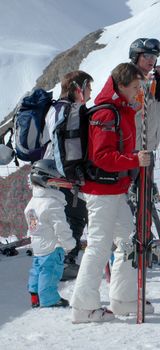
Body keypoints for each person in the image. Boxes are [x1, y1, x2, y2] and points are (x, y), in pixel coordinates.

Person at [70, 63, 153, 323]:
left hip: (115, 189)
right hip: (101, 189)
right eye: (136, 87)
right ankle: (83, 307)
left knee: (128, 241)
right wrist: (134, 160)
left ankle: (122, 298)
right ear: (121, 85)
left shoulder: (121, 110)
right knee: (98, 245)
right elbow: (102, 157)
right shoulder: (106, 114)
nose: (138, 91)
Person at [42, 70, 93, 281]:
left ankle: (58, 261)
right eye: (88, 87)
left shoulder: (55, 107)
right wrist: (74, 175)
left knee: (63, 217)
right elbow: (70, 145)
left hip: (51, 166)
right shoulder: (72, 110)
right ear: (77, 88)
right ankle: (67, 262)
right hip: (65, 171)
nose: (91, 92)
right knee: (75, 215)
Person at [25, 159, 76, 308]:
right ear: (46, 181)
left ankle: (35, 296)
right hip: (52, 246)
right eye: (56, 182)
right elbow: (60, 227)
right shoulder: (52, 203)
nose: (59, 185)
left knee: (37, 269)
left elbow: (33, 224)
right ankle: (49, 299)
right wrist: (69, 243)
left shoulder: (33, 202)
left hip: (38, 244)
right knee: (50, 271)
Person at [129, 38, 160, 151]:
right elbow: (132, 108)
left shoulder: (150, 80)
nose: (151, 60)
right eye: (147, 55)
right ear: (136, 56)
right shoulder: (127, 77)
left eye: (154, 57)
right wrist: (147, 88)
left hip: (148, 147)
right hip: (132, 148)